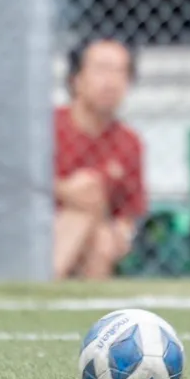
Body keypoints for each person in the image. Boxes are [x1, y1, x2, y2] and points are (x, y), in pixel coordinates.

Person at [53, 38, 147, 280]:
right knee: (81, 213)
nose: (111, 82)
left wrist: (119, 234)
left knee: (102, 240)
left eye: (120, 72)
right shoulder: (47, 128)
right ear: (75, 79)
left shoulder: (129, 143)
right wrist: (65, 190)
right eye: (101, 70)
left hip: (99, 234)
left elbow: (128, 213)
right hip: (43, 227)